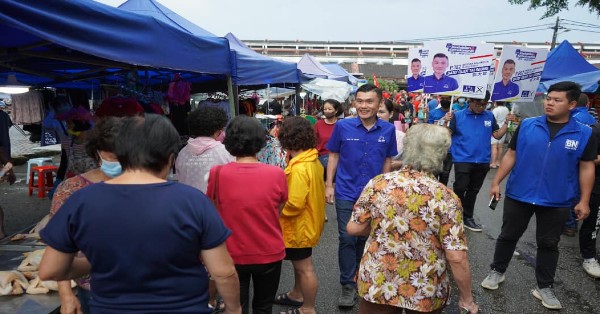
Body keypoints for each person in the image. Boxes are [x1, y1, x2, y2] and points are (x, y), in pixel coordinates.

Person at [39, 114, 241, 313]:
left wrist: (98, 260)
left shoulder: (82, 200)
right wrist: (234, 309)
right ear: (170, 159)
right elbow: (223, 272)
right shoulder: (194, 201)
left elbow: (50, 269)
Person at [481, 81, 595, 310]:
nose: (549, 103)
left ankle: (544, 287)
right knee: (507, 235)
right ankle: (497, 271)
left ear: (572, 104)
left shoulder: (584, 133)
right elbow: (511, 154)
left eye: (557, 100)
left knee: (549, 243)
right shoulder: (528, 125)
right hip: (519, 194)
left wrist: (584, 200)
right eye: (548, 98)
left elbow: (586, 167)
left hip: (557, 199)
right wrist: (495, 182)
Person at [348, 123, 478, 314]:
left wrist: (386, 226)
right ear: (441, 153)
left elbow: (354, 229)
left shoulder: (379, 183)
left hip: (379, 278)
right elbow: (456, 256)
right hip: (424, 284)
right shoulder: (446, 197)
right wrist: (467, 299)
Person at [325, 84, 398, 308]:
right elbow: (334, 155)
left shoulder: (387, 130)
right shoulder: (343, 127)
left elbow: (388, 159)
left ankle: (361, 276)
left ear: (379, 104)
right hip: (346, 191)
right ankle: (348, 284)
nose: (364, 106)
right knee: (347, 237)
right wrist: (329, 185)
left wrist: (385, 187)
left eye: (369, 101)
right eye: (360, 101)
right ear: (354, 103)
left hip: (374, 194)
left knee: (366, 238)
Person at [207, 115, 287, 314]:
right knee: (264, 306)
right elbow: (278, 208)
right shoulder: (276, 174)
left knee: (236, 307)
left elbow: (213, 210)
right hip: (269, 250)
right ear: (260, 141)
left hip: (232, 252)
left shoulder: (217, 173)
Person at [48, 117, 123, 314]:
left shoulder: (145, 186)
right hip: (92, 290)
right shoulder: (71, 189)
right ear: (97, 152)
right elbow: (59, 247)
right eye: (113, 156)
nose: (121, 162)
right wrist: (66, 294)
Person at [274, 117, 325, 314]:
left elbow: (294, 203)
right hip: (307, 222)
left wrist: (275, 211)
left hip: (299, 226)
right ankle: (297, 294)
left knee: (305, 268)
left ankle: (308, 308)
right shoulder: (311, 159)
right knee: (300, 266)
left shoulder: (299, 167)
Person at [444, 91, 509, 232]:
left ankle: (468, 217)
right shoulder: (457, 115)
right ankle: (455, 213)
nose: (481, 107)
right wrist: (445, 121)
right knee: (460, 187)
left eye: (484, 105)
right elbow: (446, 134)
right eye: (478, 104)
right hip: (462, 158)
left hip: (483, 160)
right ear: (470, 101)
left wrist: (507, 124)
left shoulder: (489, 116)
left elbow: (497, 135)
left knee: (473, 190)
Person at [175, 106, 234, 194]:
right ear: (218, 132)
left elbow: (179, 178)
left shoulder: (182, 153)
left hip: (187, 204)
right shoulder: (225, 152)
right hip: (212, 205)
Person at [579, 120, 600, 278]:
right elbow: (584, 159)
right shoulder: (595, 131)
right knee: (593, 223)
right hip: (596, 185)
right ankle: (589, 257)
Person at [427, 98, 453, 185]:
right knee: (434, 173)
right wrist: (443, 119)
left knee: (445, 175)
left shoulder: (454, 114)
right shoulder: (433, 112)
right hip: (435, 148)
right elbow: (430, 128)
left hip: (449, 149)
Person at [314, 99, 342, 177]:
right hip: (321, 158)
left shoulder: (341, 125)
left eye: (329, 109)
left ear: (336, 111)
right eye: (325, 109)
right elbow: (313, 141)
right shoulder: (318, 124)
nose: (327, 111)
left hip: (338, 159)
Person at [378, 99, 405, 170]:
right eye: (375, 112)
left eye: (381, 112)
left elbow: (413, 162)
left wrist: (400, 163)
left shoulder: (402, 138)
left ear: (391, 114)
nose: (377, 115)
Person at [490, 101, 510, 168]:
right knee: (500, 146)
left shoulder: (496, 110)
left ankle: (493, 163)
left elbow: (492, 119)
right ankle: (498, 162)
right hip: (504, 128)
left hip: (496, 129)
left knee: (494, 146)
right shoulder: (506, 109)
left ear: (496, 102)